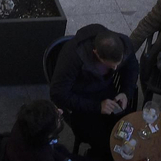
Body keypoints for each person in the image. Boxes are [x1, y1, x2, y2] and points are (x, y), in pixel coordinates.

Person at [48, 23, 139, 156]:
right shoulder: (72, 57)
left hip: (107, 94)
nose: (115, 69)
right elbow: (58, 93)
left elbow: (132, 67)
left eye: (117, 65)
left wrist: (126, 92)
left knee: (132, 129)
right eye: (110, 66)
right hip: (80, 104)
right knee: (106, 145)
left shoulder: (123, 45)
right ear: (96, 53)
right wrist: (97, 107)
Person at [0, 99, 70, 161]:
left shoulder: (24, 123)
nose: (61, 111)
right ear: (49, 135)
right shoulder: (42, 157)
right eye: (58, 119)